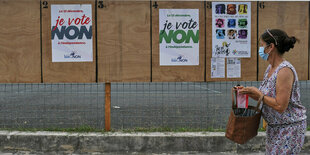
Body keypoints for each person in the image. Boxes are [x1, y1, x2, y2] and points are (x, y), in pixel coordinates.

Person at [238, 29, 307, 154]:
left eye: (263, 45)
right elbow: (267, 97)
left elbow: (280, 106)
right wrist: (247, 92)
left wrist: (259, 94)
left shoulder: (284, 71)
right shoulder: (271, 68)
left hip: (289, 128)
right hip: (275, 127)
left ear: (271, 47)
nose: (261, 48)